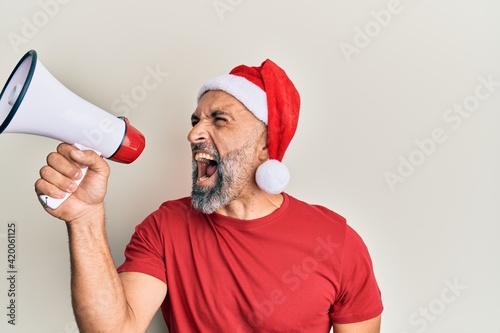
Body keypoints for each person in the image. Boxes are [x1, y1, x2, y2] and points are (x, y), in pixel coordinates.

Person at [35, 59, 383, 332]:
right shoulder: (164, 228)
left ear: (265, 145)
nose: (194, 134)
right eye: (195, 120)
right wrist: (85, 218)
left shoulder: (337, 242)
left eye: (219, 120)